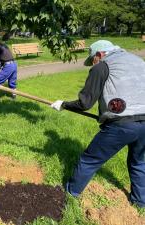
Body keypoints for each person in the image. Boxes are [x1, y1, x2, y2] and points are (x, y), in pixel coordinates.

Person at [50, 40, 145, 207]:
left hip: (122, 124)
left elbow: (85, 103)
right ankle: (140, 202)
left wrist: (63, 104)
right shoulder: (137, 60)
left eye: (92, 59)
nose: (92, 63)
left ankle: (69, 196)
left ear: (99, 55)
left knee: (89, 159)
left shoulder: (102, 66)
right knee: (139, 162)